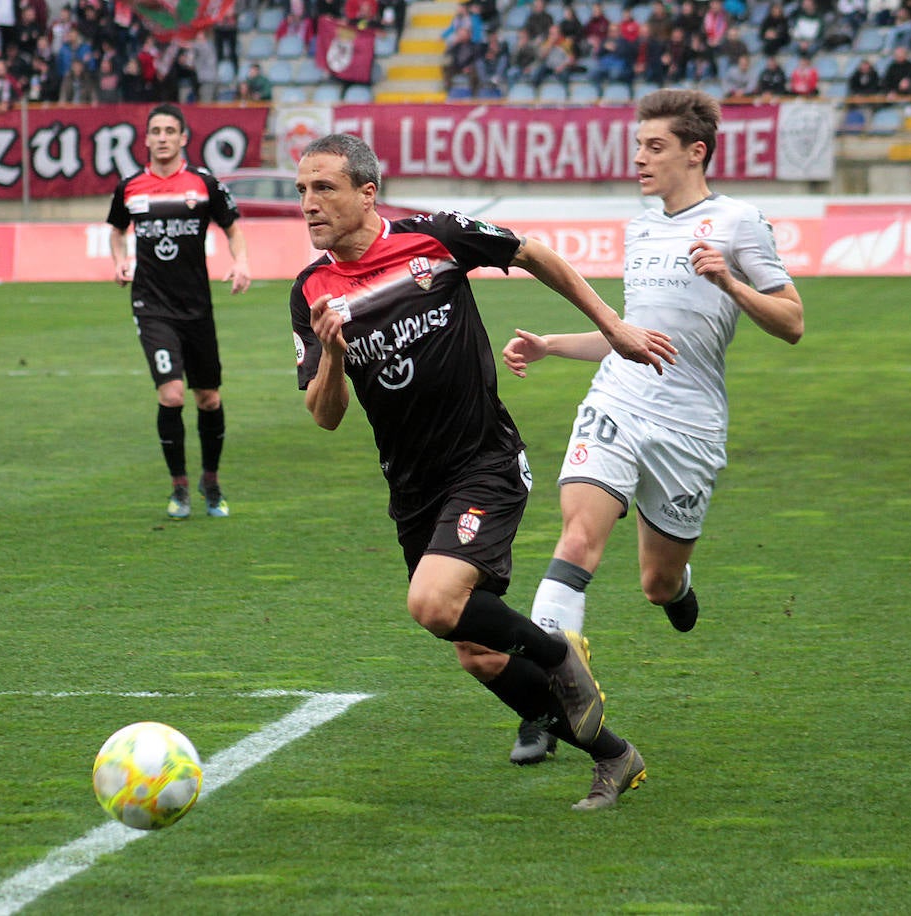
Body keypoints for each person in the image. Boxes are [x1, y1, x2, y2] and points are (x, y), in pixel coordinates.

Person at [289, 133, 678, 811]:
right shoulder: (312, 291)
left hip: (484, 461)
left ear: (366, 192)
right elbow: (323, 416)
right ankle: (614, 756)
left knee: (431, 601)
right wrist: (329, 354)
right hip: (413, 488)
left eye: (324, 188)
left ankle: (558, 656)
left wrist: (613, 326)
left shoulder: (435, 238)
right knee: (480, 653)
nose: (309, 205)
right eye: (301, 191)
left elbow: (534, 254)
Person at [501, 88, 803, 770]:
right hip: (618, 401)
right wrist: (552, 343)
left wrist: (731, 284)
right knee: (577, 539)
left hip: (690, 426)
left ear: (696, 152)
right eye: (638, 145)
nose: (639, 158)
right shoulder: (639, 228)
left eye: (654, 146)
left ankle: (680, 585)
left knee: (656, 583)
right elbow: (632, 337)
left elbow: (792, 323)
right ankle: (545, 704)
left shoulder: (738, 223)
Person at [106, 103, 251, 520]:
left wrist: (240, 262)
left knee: (208, 398)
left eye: (171, 130)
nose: (163, 137)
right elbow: (116, 230)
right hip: (151, 305)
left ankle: (211, 481)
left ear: (184, 137)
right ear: (147, 138)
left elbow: (234, 228)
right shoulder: (130, 187)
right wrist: (119, 260)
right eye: (156, 130)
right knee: (171, 394)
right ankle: (179, 488)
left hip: (197, 307)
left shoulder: (204, 184)